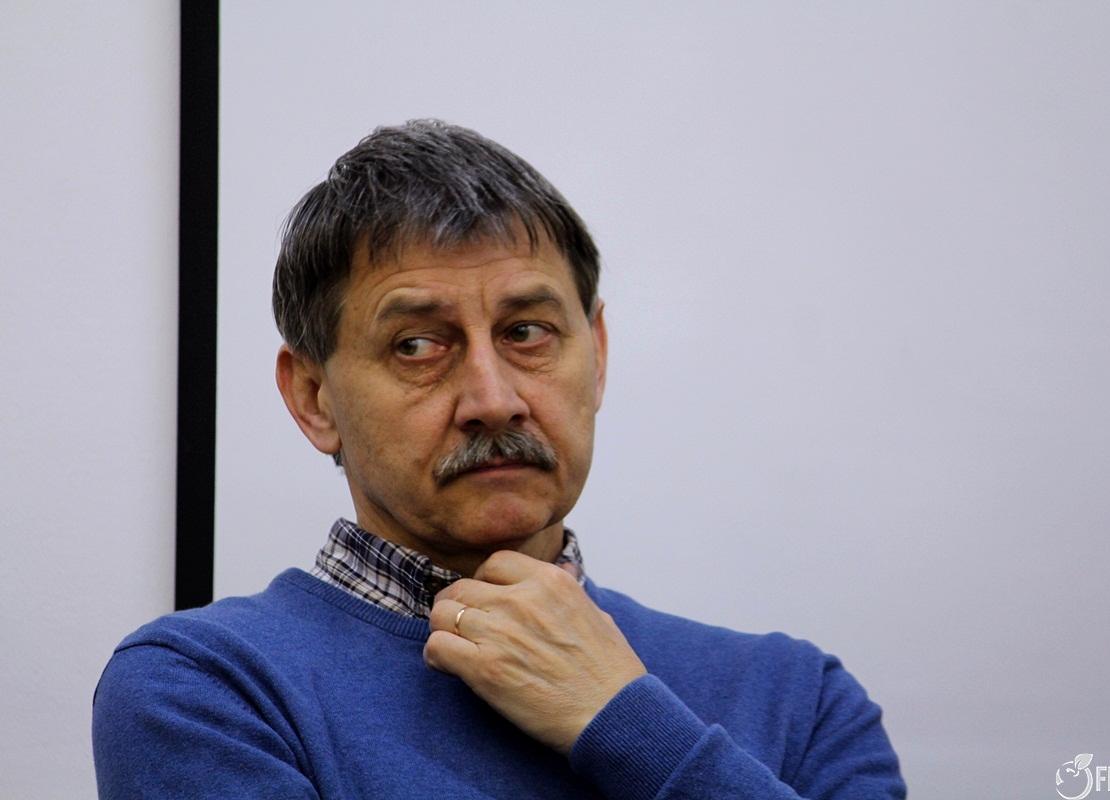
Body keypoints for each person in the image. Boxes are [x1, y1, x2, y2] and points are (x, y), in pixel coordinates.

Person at [92, 119, 906, 799]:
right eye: (417, 345)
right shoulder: (202, 690)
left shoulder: (800, 698)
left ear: (597, 355)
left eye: (526, 333)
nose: (493, 397)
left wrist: (623, 719)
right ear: (313, 398)